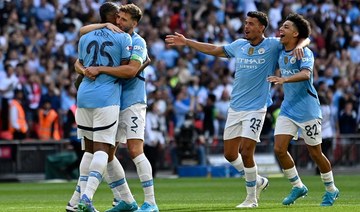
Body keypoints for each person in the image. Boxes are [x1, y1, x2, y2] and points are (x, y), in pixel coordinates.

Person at [166, 11, 309, 208]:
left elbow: (304, 38)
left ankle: (252, 199)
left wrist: (301, 45)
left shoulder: (273, 45)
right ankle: (258, 180)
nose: (246, 27)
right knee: (230, 154)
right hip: (235, 107)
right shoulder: (239, 45)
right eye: (245, 23)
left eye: (251, 24)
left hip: (256, 108)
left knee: (246, 151)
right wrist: (187, 41)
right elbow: (215, 49)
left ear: (261, 28)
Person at [74, 3, 159, 212]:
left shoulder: (137, 42)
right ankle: (126, 201)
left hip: (132, 100)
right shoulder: (114, 36)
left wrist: (99, 69)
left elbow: (130, 70)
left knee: (135, 150)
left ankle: (151, 202)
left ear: (134, 23)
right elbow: (82, 38)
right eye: (117, 18)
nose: (119, 22)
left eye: (123, 19)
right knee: (107, 154)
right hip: (112, 101)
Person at [267, 13, 339, 206]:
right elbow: (305, 38)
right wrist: (301, 42)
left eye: (286, 27)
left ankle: (331, 189)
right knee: (279, 149)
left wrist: (284, 79)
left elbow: (306, 74)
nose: (281, 29)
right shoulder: (282, 51)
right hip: (288, 108)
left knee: (315, 153)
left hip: (308, 109)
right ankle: (298, 186)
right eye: (282, 26)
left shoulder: (305, 53)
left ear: (296, 33)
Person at [73, 2, 133, 212]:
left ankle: (74, 202)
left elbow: (78, 63)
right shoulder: (123, 37)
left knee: (88, 151)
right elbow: (127, 68)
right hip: (106, 97)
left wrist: (86, 70)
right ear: (116, 16)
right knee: (103, 150)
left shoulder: (85, 37)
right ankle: (86, 199)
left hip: (83, 96)